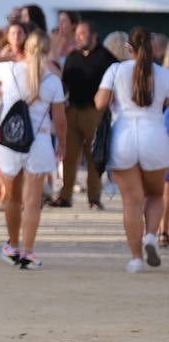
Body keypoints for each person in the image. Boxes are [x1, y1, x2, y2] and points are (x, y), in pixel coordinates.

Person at [0, 28, 65, 269]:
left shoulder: (9, 70)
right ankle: (28, 251)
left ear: (26, 48)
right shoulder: (53, 80)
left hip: (10, 140)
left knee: (12, 198)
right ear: (48, 52)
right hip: (39, 141)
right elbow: (60, 120)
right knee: (32, 201)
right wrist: (63, 145)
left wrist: (5, 56)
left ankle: (12, 246)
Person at [94, 27, 169, 273]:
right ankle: (150, 236)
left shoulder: (115, 70)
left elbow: (100, 103)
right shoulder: (163, 74)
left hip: (124, 135)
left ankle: (136, 258)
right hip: (155, 135)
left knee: (132, 202)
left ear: (129, 48)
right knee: (156, 194)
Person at [57, 20, 116, 208]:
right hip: (72, 110)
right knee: (69, 155)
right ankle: (65, 195)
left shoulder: (106, 58)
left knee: (94, 156)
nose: (78, 37)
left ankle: (94, 197)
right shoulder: (72, 57)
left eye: (82, 33)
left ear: (94, 35)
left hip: (94, 112)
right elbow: (64, 82)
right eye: (77, 34)